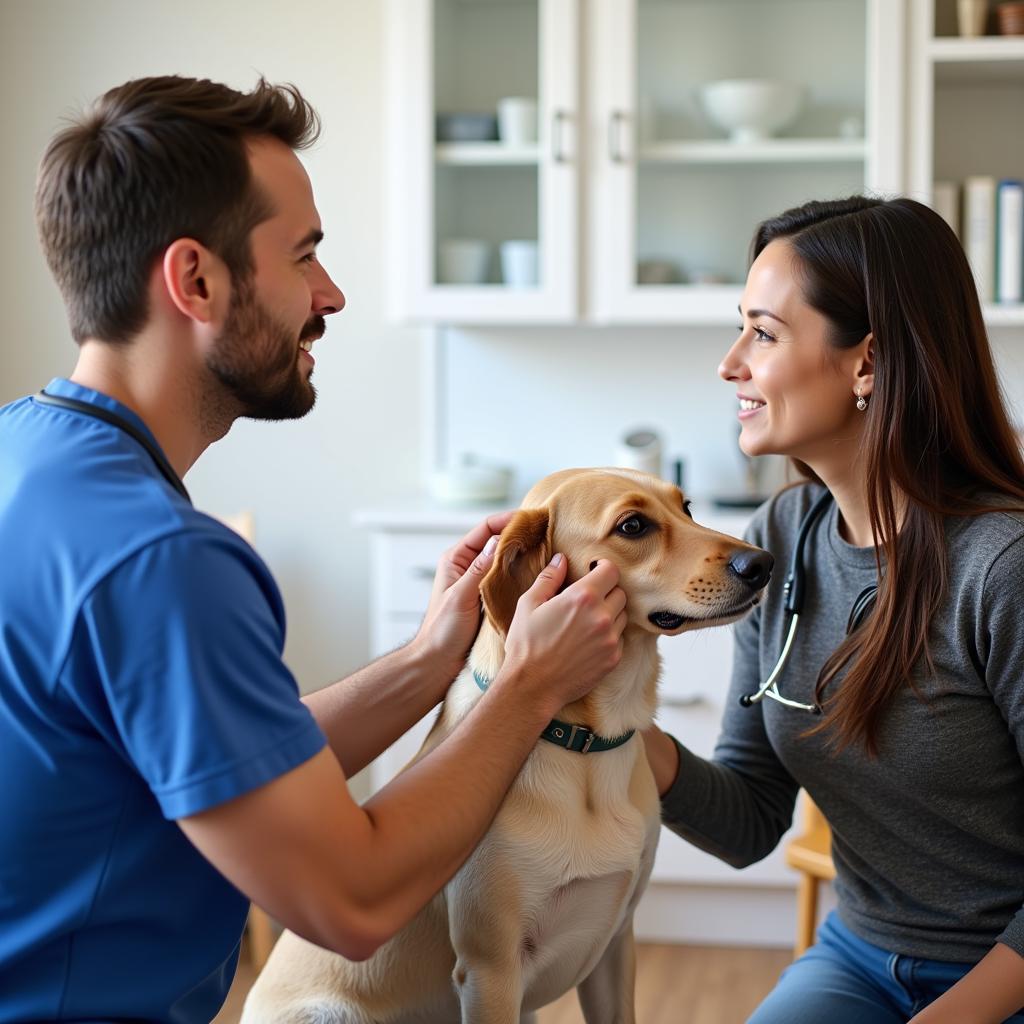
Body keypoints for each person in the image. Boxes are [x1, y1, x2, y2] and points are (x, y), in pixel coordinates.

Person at [0, 76, 628, 1024]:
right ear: (195, 281)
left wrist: (431, 662)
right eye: (304, 257)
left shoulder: (26, 458)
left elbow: (239, 769)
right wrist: (528, 687)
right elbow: (354, 899)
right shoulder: (163, 562)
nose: (328, 295)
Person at [643, 195, 1024, 1024]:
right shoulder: (782, 536)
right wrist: (608, 722)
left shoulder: (1003, 568)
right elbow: (748, 819)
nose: (730, 363)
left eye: (764, 333)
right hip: (862, 956)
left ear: (867, 364)